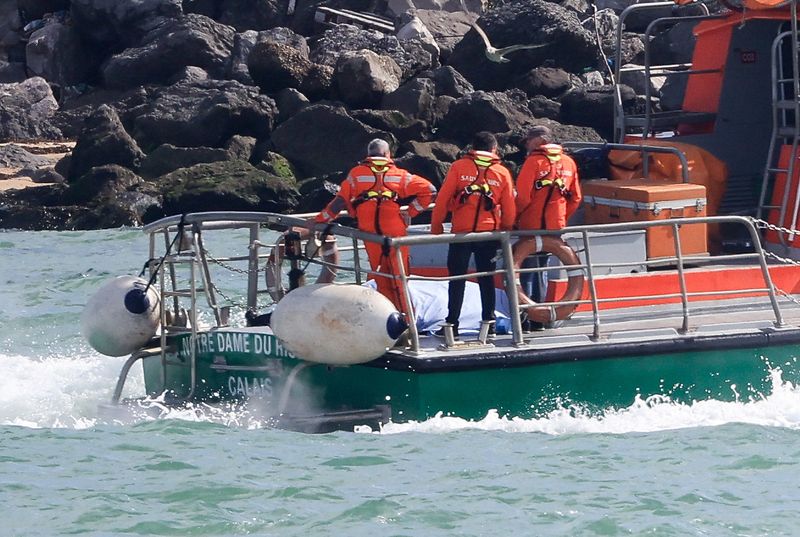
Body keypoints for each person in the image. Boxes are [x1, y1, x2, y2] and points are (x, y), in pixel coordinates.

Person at [315, 138, 436, 313]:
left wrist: (319, 220)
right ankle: (408, 321)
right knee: (400, 278)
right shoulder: (400, 175)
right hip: (395, 231)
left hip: (370, 232)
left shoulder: (356, 174)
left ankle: (388, 318)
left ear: (368, 155)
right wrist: (411, 211)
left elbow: (339, 202)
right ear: (387, 154)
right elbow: (430, 191)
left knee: (381, 277)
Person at [430, 131, 516, 339]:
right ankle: (490, 322)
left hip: (461, 234)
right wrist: (506, 228)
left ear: (472, 148)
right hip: (489, 234)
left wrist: (436, 226)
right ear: (494, 149)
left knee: (457, 279)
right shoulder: (502, 172)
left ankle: (452, 324)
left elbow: (443, 199)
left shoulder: (458, 167)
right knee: (487, 278)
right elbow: (509, 207)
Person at [515, 125, 582, 330]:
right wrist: (562, 217)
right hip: (555, 227)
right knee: (542, 269)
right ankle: (540, 319)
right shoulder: (569, 162)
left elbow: (523, 197)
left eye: (528, 141)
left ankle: (526, 319)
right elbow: (576, 197)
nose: (526, 144)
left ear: (538, 142)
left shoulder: (532, 162)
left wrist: (515, 218)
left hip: (531, 226)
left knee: (526, 272)